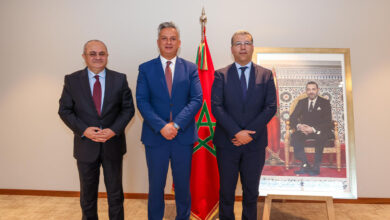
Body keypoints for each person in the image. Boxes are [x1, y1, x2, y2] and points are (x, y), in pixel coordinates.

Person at [58, 40, 134, 220]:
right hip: (86, 147)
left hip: (112, 145)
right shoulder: (72, 80)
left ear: (107, 56)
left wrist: (114, 130)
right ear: (84, 57)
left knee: (115, 195)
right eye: (92, 54)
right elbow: (64, 110)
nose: (98, 57)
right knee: (87, 197)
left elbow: (128, 109)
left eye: (102, 53)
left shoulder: (120, 79)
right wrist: (84, 130)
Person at [136, 22, 203, 220]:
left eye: (172, 38)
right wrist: (161, 126)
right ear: (158, 42)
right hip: (155, 138)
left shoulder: (190, 68)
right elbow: (142, 101)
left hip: (182, 137)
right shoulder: (146, 69)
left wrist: (176, 125)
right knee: (156, 186)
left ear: (179, 43)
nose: (168, 42)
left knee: (183, 185)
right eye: (164, 38)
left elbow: (196, 99)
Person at [211, 30, 277, 220]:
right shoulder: (221, 75)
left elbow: (270, 107)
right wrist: (236, 132)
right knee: (226, 192)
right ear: (232, 49)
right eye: (238, 43)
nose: (242, 47)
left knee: (251, 193)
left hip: (254, 145)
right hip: (227, 142)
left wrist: (249, 134)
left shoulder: (265, 75)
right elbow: (216, 107)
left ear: (252, 47)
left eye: (247, 43)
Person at [290, 81, 334, 176]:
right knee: (295, 136)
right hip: (304, 130)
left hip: (319, 130)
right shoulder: (302, 102)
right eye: (309, 89)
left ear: (317, 90)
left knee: (320, 137)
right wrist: (300, 126)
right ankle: (305, 164)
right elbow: (292, 117)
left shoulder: (325, 103)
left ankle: (316, 166)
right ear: (306, 91)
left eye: (313, 89)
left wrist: (313, 129)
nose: (311, 92)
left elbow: (328, 122)